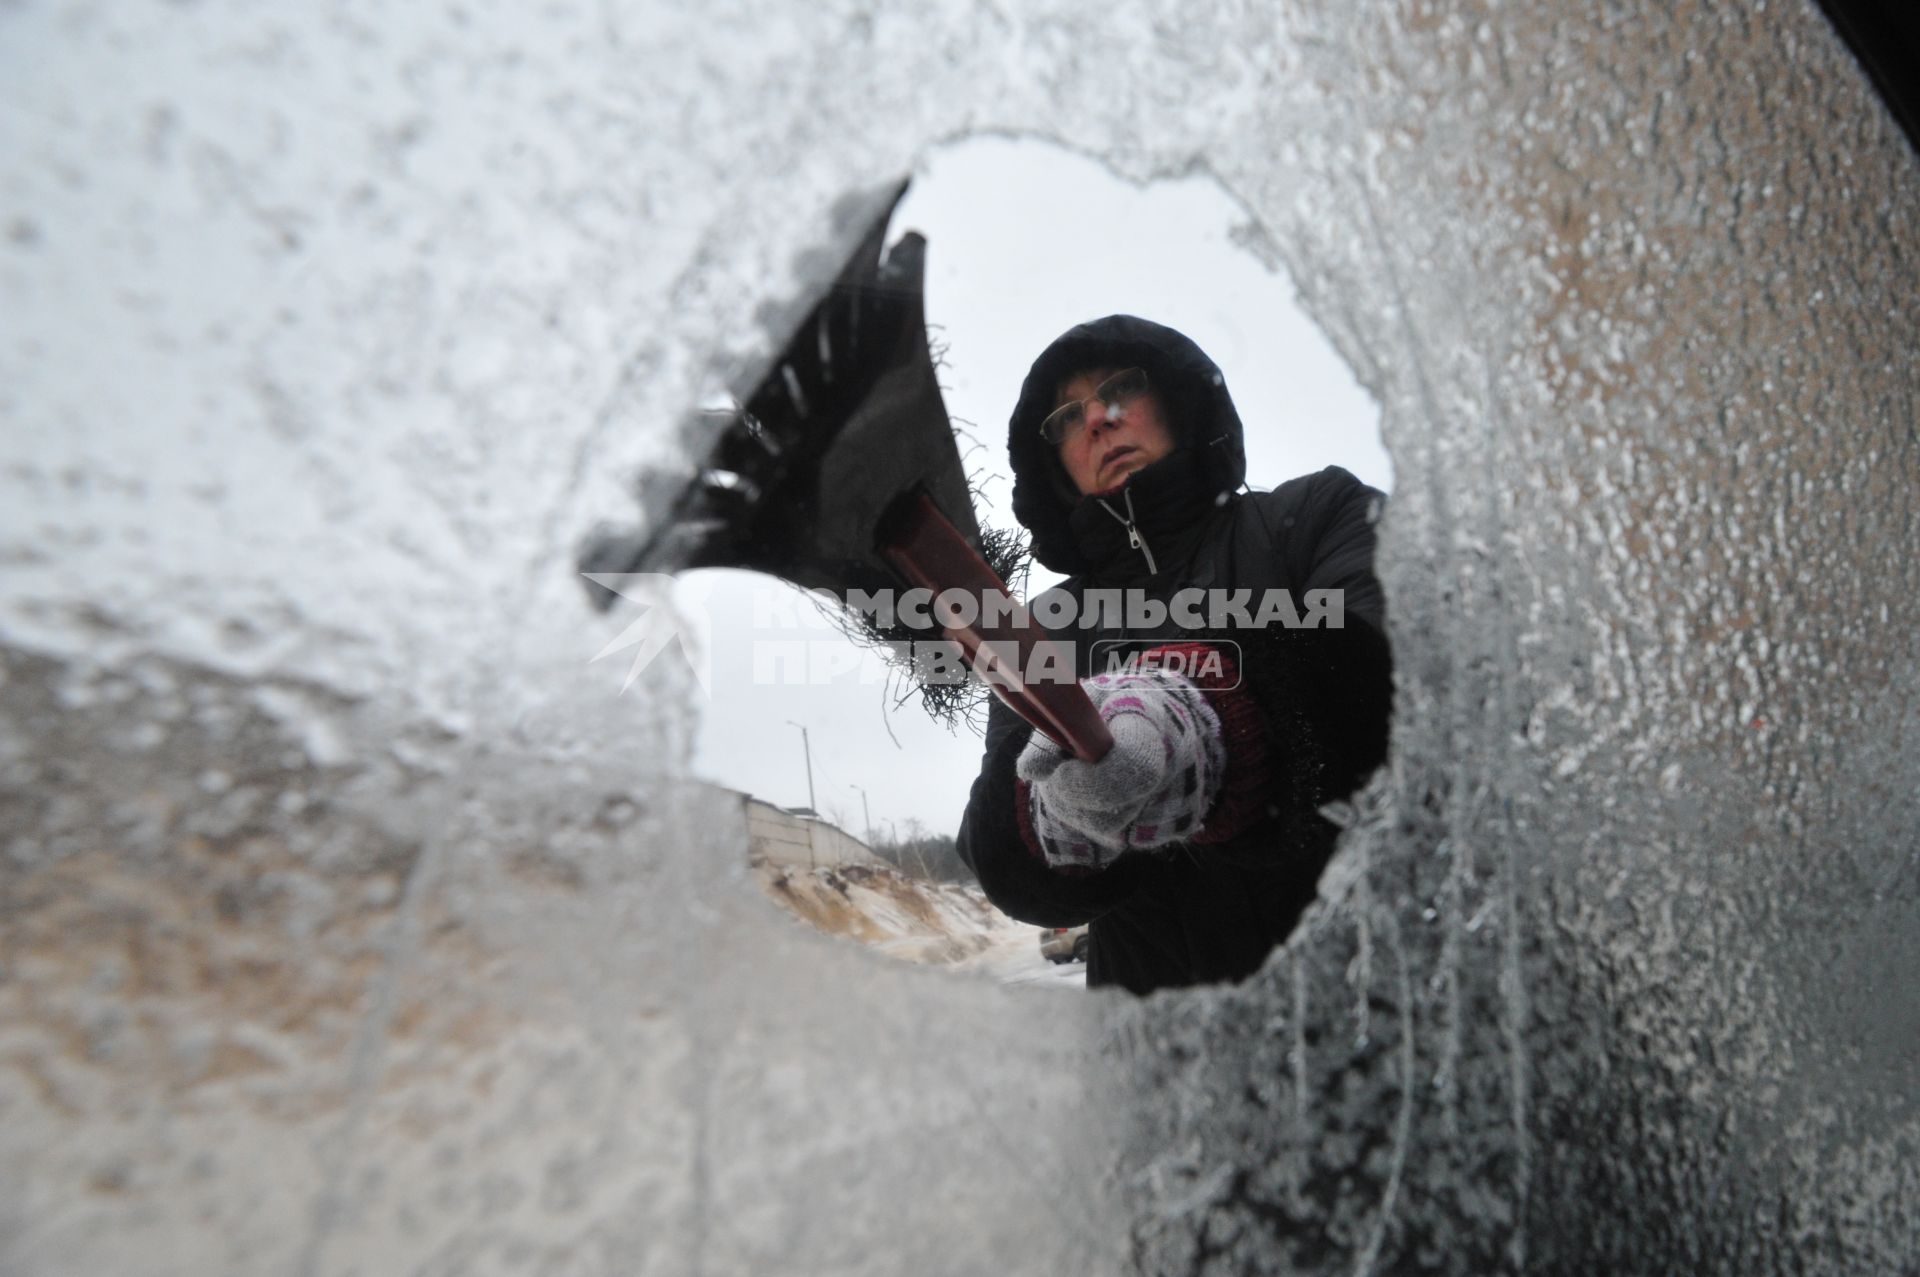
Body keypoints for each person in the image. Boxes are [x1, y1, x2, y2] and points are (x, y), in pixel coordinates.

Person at [954, 315, 1393, 994]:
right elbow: (998, 856)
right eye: (1068, 416)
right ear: (1056, 463)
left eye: (1122, 387)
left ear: (1179, 402)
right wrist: (1050, 822)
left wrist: (1209, 723)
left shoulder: (1315, 518)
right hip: (1155, 1048)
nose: (1098, 418)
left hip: (1372, 1009)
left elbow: (1394, 675)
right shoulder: (1039, 629)